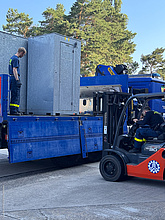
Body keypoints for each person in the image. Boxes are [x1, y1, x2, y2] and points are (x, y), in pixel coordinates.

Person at [9, 47, 26, 115]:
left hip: (12, 77)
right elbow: (14, 69)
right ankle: (14, 111)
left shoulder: (12, 57)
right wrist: (17, 80)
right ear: (21, 53)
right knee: (15, 94)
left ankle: (16, 109)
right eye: (23, 55)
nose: (22, 56)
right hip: (14, 77)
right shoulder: (16, 59)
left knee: (15, 94)